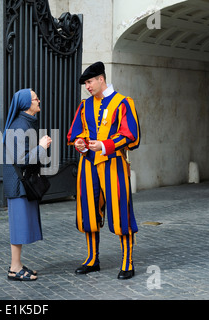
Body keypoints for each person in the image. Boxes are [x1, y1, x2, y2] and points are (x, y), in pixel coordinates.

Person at [67, 62, 141, 279]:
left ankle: (127, 262)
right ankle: (92, 259)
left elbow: (131, 135)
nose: (87, 87)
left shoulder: (123, 103)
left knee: (121, 211)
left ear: (101, 79)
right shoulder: (85, 105)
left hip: (114, 163)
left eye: (89, 82)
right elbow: (76, 133)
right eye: (85, 84)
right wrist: (80, 143)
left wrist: (105, 145)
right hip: (88, 164)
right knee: (88, 211)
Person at [2, 88, 52, 281]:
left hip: (21, 183)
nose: (38, 100)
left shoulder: (26, 123)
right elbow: (21, 160)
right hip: (18, 185)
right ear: (25, 104)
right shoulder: (20, 126)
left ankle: (18, 264)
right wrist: (41, 147)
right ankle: (14, 268)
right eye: (34, 98)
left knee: (22, 224)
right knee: (18, 226)